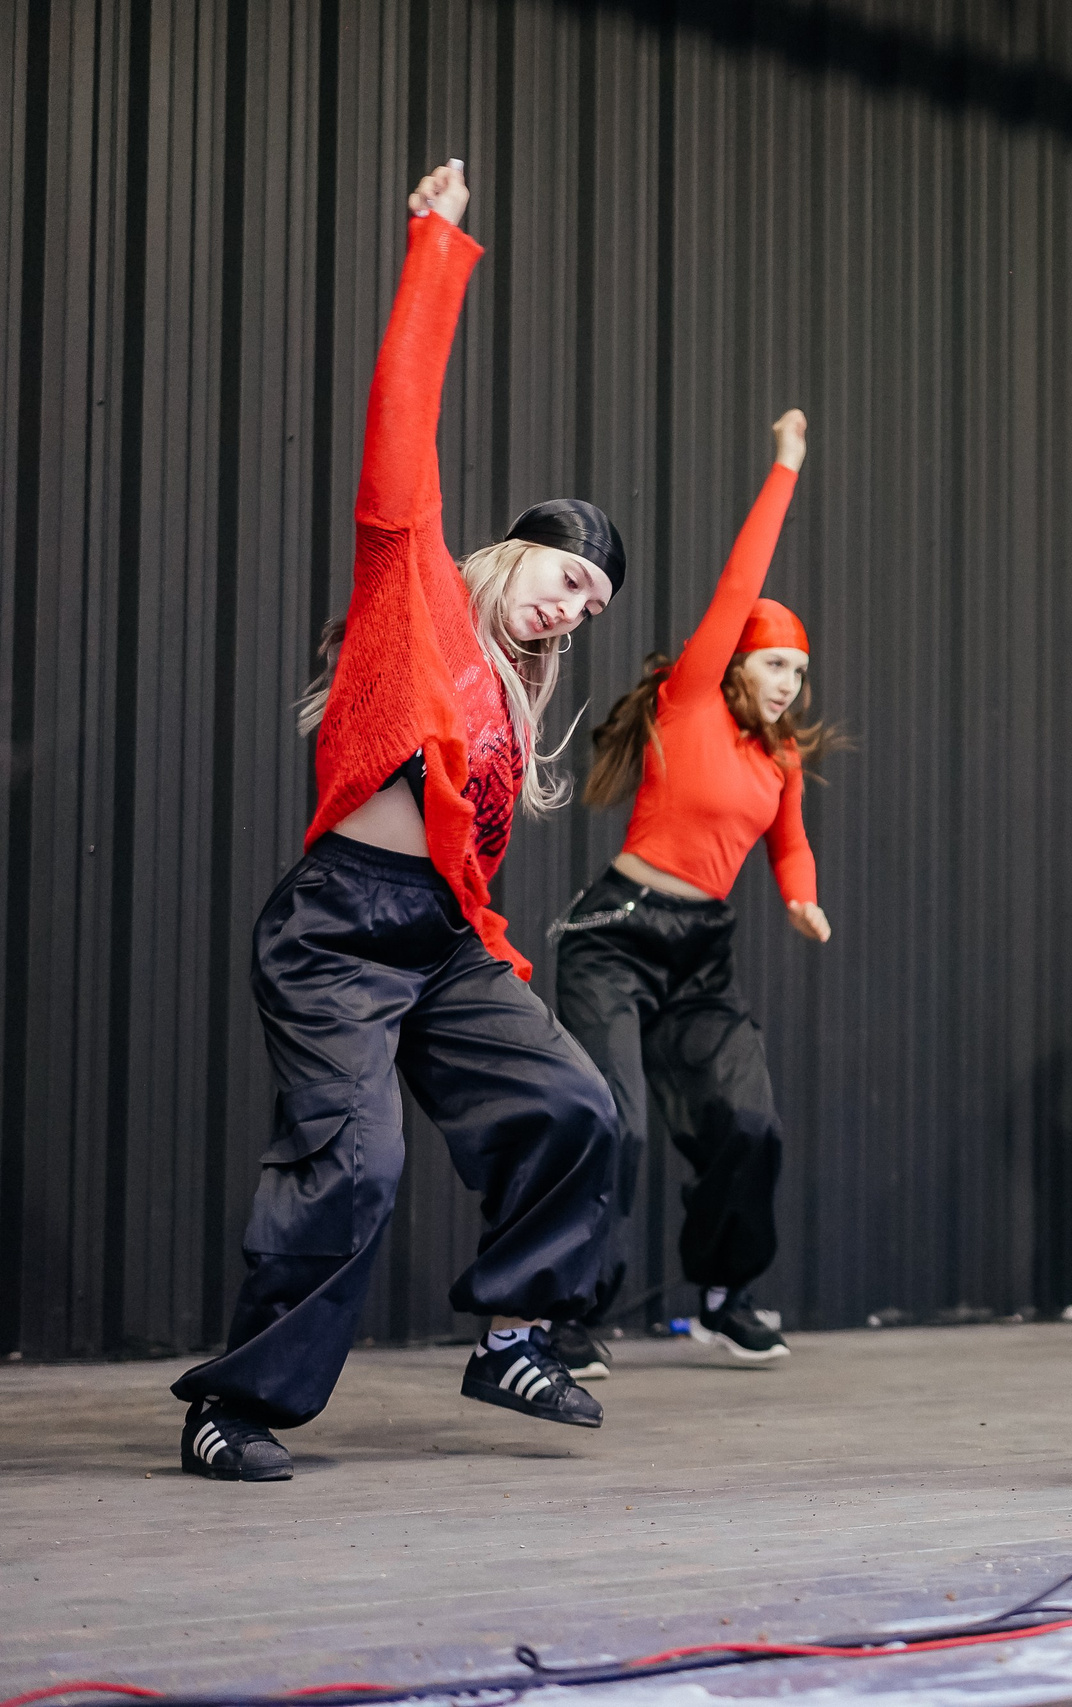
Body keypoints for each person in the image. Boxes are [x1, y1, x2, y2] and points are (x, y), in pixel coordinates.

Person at [171, 160, 627, 1480]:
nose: (573, 606)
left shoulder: (509, 706)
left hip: (439, 942)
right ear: (516, 549)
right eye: (568, 577)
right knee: (354, 1168)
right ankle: (233, 1403)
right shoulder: (414, 589)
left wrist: (494, 957)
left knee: (575, 1102)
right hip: (333, 938)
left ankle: (518, 1331)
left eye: (594, 605)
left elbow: (466, 864)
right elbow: (402, 435)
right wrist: (436, 252)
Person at [549, 410, 832, 1375]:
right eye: (776, 662)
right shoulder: (692, 700)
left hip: (702, 949)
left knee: (751, 1125)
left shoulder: (780, 755)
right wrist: (785, 467)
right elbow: (739, 581)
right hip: (618, 936)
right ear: (738, 661)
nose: (790, 680)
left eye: (799, 667)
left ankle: (724, 1293)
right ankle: (560, 1312)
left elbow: (788, 847)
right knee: (613, 1121)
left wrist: (802, 896)